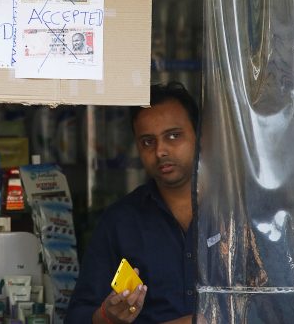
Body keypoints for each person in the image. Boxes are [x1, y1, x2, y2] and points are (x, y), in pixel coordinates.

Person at [68, 83, 201, 324]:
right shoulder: (121, 222)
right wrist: (108, 316)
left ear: (200, 136)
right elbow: (78, 317)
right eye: (148, 142)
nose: (161, 150)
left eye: (173, 136)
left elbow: (278, 303)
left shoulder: (238, 213)